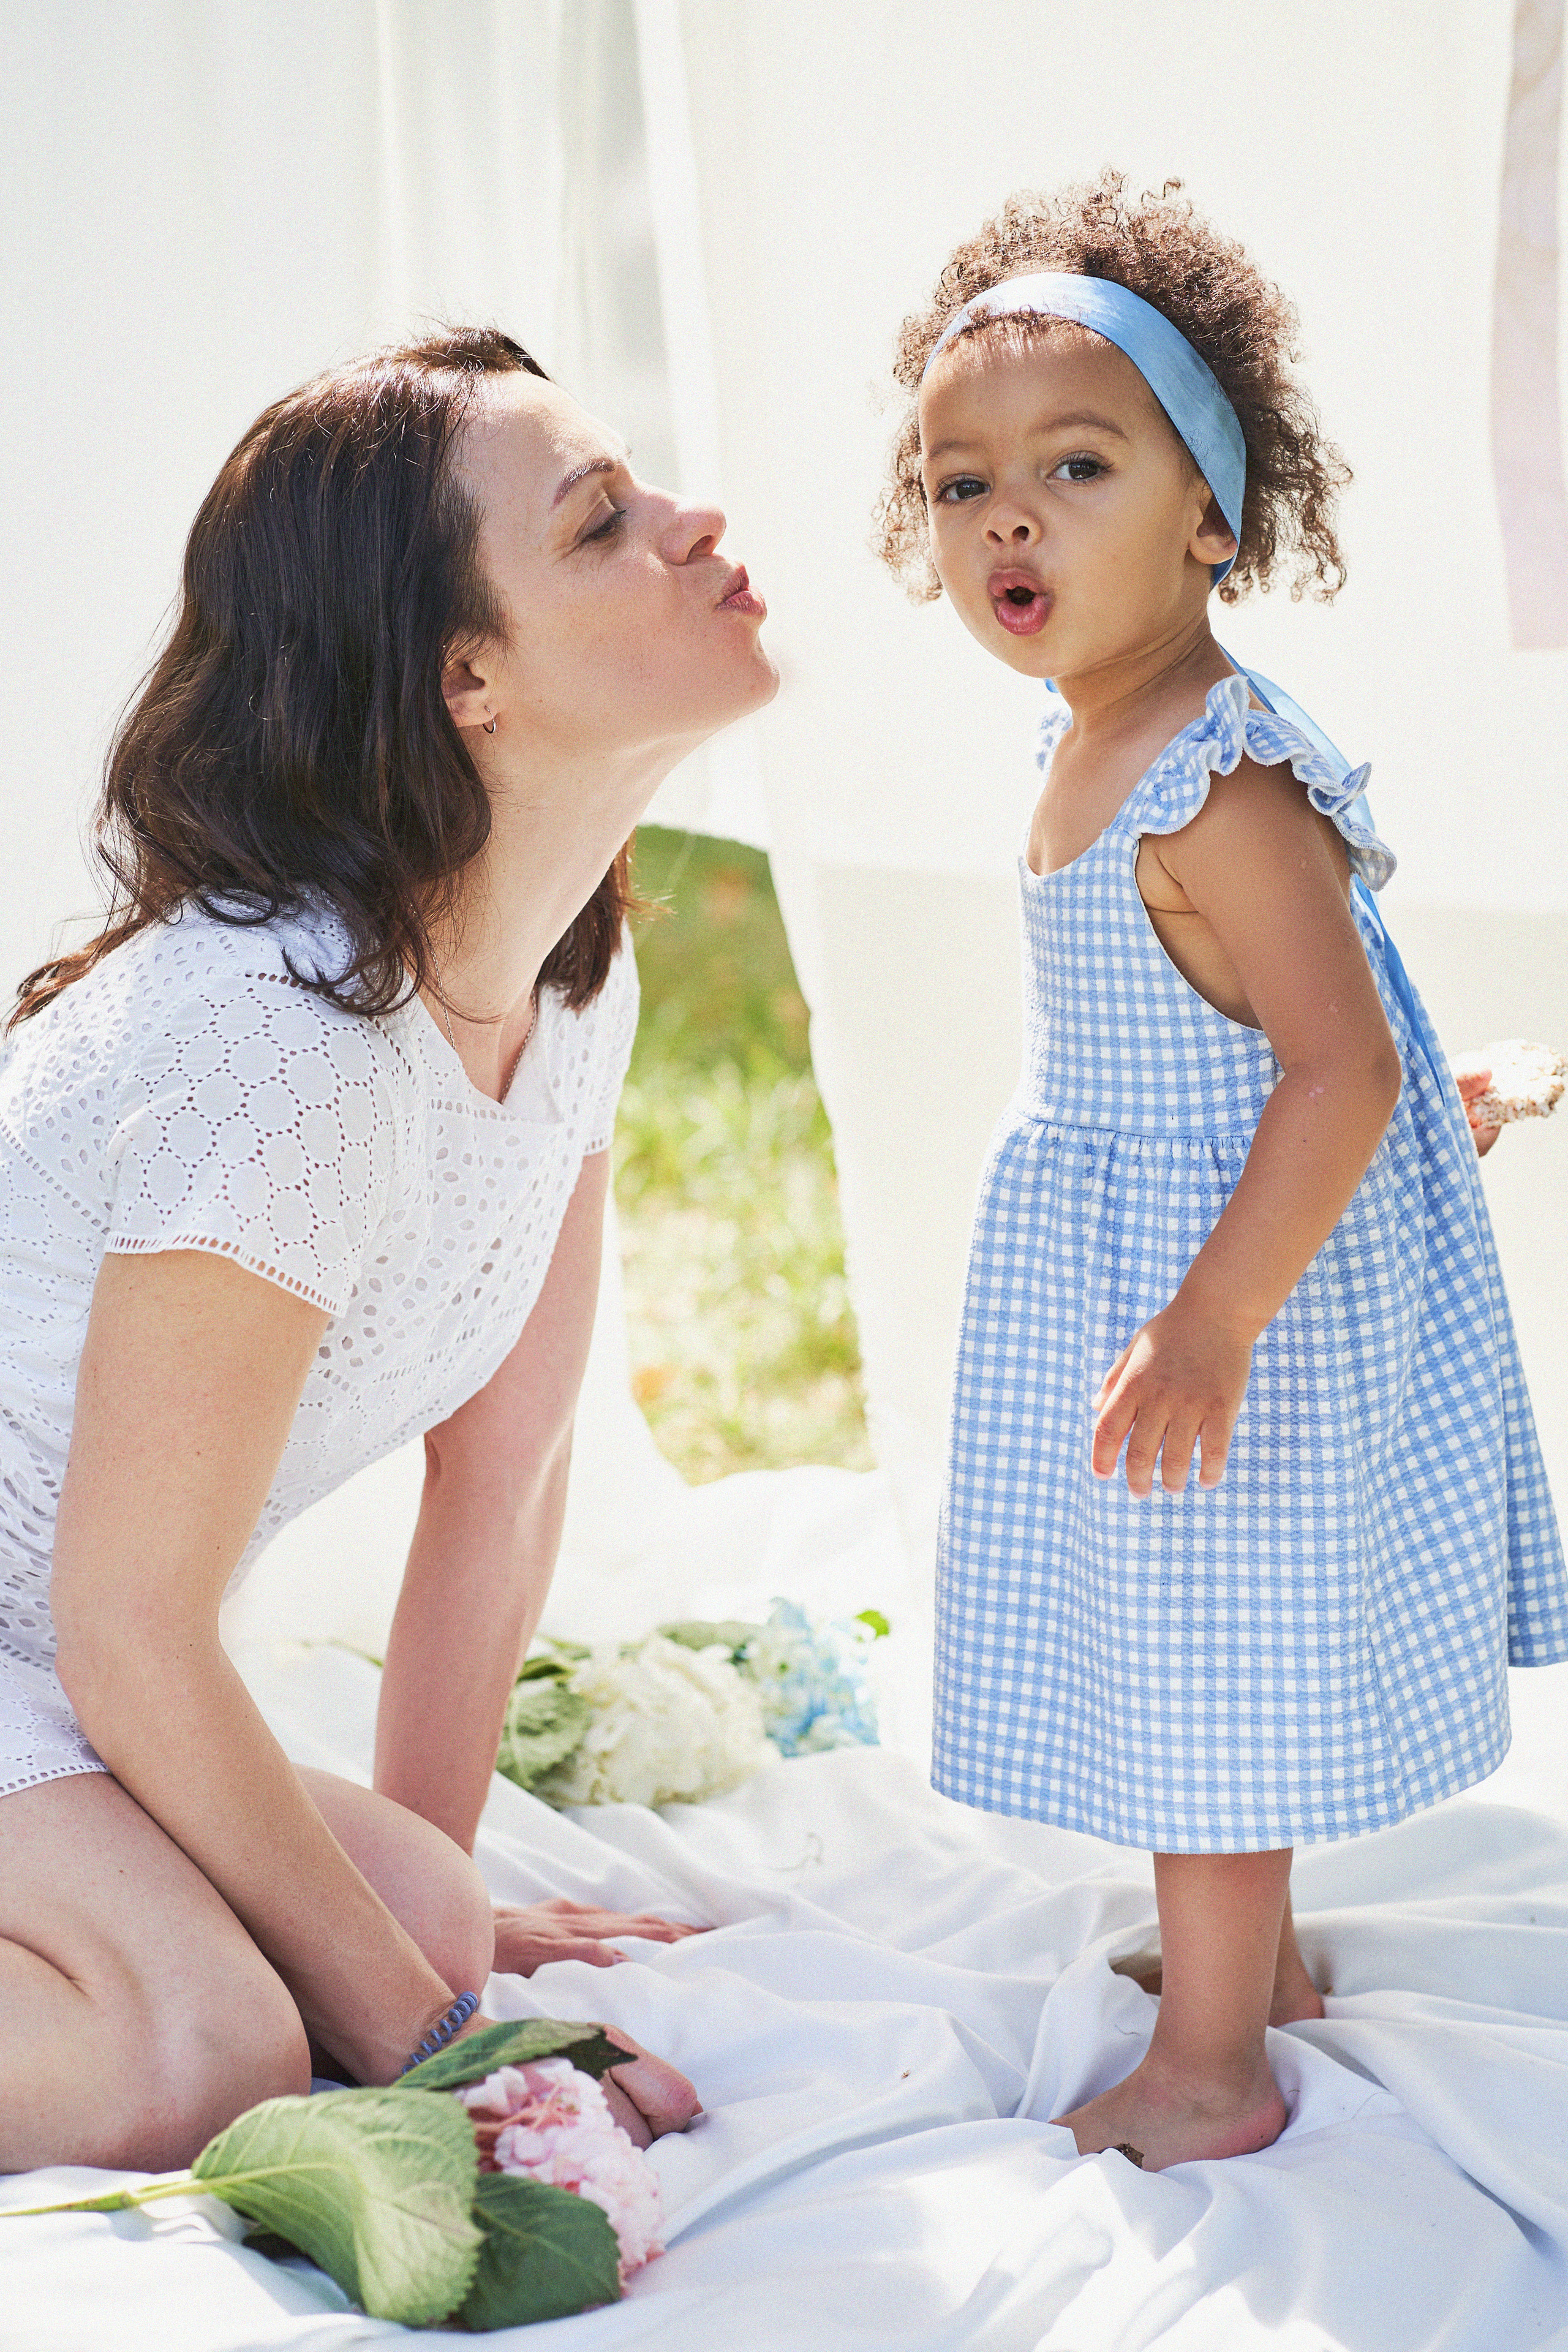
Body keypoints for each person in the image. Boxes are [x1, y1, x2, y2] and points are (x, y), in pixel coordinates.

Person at [0, 326, 777, 2171]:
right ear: (469, 680)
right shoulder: (289, 1046)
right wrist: (440, 2051)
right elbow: (130, 1624)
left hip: (56, 1669)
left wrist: (434, 1938)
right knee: (197, 2058)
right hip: (74, 1656)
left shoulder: (570, 977)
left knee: (394, 1929)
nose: (692, 520)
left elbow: (501, 1484)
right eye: (604, 523)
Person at [875, 174, 1567, 2171]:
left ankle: (1213, 2064)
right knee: (1189, 1638)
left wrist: (1213, 1316)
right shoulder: (1094, 732)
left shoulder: (1217, 773)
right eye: (959, 483)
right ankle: (1247, 1973)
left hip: (1238, 1283)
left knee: (1202, 1668)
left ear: (1212, 517)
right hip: (1173, 1257)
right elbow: (1281, 1029)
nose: (1007, 519)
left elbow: (1333, 1064)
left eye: (1075, 467)